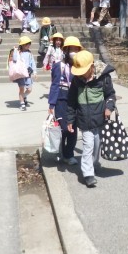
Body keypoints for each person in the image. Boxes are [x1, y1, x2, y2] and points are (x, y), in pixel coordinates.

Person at [66, 50, 116, 188]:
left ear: (91, 67)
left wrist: (109, 107)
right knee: (88, 146)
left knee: (97, 145)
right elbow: (71, 101)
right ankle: (88, 174)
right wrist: (70, 120)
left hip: (100, 119)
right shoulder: (76, 80)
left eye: (83, 71)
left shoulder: (103, 78)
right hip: (84, 120)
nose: (81, 74)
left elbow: (110, 95)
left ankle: (94, 164)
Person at [48, 36, 83, 165]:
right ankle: (61, 151)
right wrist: (52, 104)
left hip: (75, 101)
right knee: (63, 129)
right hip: (61, 101)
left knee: (73, 129)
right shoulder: (59, 66)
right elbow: (54, 85)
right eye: (71, 49)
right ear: (66, 51)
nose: (74, 52)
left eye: (76, 49)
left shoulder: (80, 67)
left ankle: (69, 154)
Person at [12, 35, 36, 110]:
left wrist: (35, 71)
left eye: (29, 44)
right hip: (21, 73)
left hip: (28, 73)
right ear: (22, 45)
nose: (28, 45)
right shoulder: (18, 52)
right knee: (21, 89)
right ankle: (22, 104)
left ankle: (24, 96)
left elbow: (32, 62)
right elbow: (14, 60)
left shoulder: (30, 53)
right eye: (26, 44)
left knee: (29, 89)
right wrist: (15, 51)